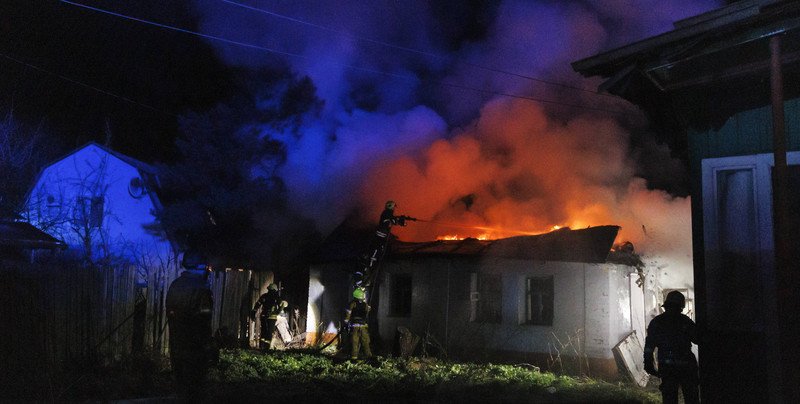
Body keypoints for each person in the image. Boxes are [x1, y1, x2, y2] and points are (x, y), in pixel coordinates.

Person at [166, 251, 217, 402]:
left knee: (181, 388)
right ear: (199, 267)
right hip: (196, 348)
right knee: (195, 390)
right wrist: (209, 346)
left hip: (177, 346)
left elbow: (171, 313)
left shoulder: (175, 285)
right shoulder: (201, 288)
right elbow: (203, 320)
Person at [643, 291, 699, 404]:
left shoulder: (657, 322)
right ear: (681, 307)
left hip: (667, 366)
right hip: (686, 364)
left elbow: (649, 346)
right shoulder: (685, 321)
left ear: (666, 306)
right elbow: (697, 339)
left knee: (669, 398)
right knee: (691, 397)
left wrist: (648, 363)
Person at [355, 200, 410, 288]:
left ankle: (373, 267)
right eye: (393, 207)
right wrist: (398, 220)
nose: (394, 209)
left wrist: (402, 222)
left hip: (382, 238)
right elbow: (389, 221)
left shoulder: (388, 214)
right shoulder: (386, 213)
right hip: (379, 238)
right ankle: (371, 268)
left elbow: (393, 221)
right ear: (390, 207)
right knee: (375, 253)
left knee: (380, 251)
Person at [344, 288, 372, 360]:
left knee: (354, 342)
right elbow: (368, 311)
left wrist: (346, 323)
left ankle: (354, 358)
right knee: (365, 342)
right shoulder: (365, 305)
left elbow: (348, 315)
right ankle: (369, 357)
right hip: (363, 326)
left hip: (355, 326)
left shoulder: (352, 304)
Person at [251, 283, 280, 350]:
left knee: (264, 331)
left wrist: (253, 312)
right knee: (269, 331)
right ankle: (266, 347)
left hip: (264, 316)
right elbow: (281, 305)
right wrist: (278, 312)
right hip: (272, 317)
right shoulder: (276, 297)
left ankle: (262, 346)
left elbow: (257, 305)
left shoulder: (264, 296)